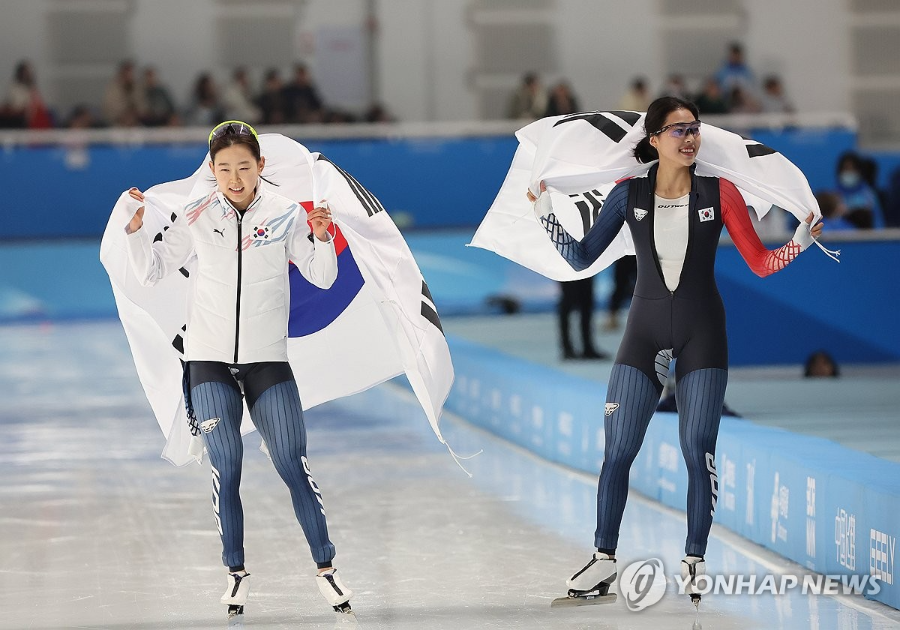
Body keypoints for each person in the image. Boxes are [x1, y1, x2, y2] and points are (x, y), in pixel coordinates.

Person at [529, 96, 822, 607]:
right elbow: (580, 256)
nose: (690, 138)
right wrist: (542, 209)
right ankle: (603, 560)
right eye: (678, 130)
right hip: (641, 334)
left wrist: (797, 242)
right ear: (653, 140)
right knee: (617, 450)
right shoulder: (628, 193)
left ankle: (694, 560)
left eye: (695, 128)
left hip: (702, 334)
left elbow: (760, 264)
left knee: (697, 449)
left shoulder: (719, 191)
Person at [122, 121, 353, 618]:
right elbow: (152, 271)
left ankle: (327, 570)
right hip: (207, 361)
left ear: (260, 167)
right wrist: (138, 234)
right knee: (227, 467)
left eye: (243, 167)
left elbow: (324, 277)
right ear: (211, 169)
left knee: (292, 462)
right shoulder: (196, 213)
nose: (234, 177)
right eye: (223, 168)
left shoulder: (287, 214)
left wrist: (321, 236)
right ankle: (235, 574)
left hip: (267, 361)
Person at [835, 151, 885, 229]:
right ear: (840, 171)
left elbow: (878, 221)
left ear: (859, 171)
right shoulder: (834, 196)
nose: (849, 172)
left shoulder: (869, 195)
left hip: (866, 237)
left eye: (853, 169)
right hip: (841, 237)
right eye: (846, 169)